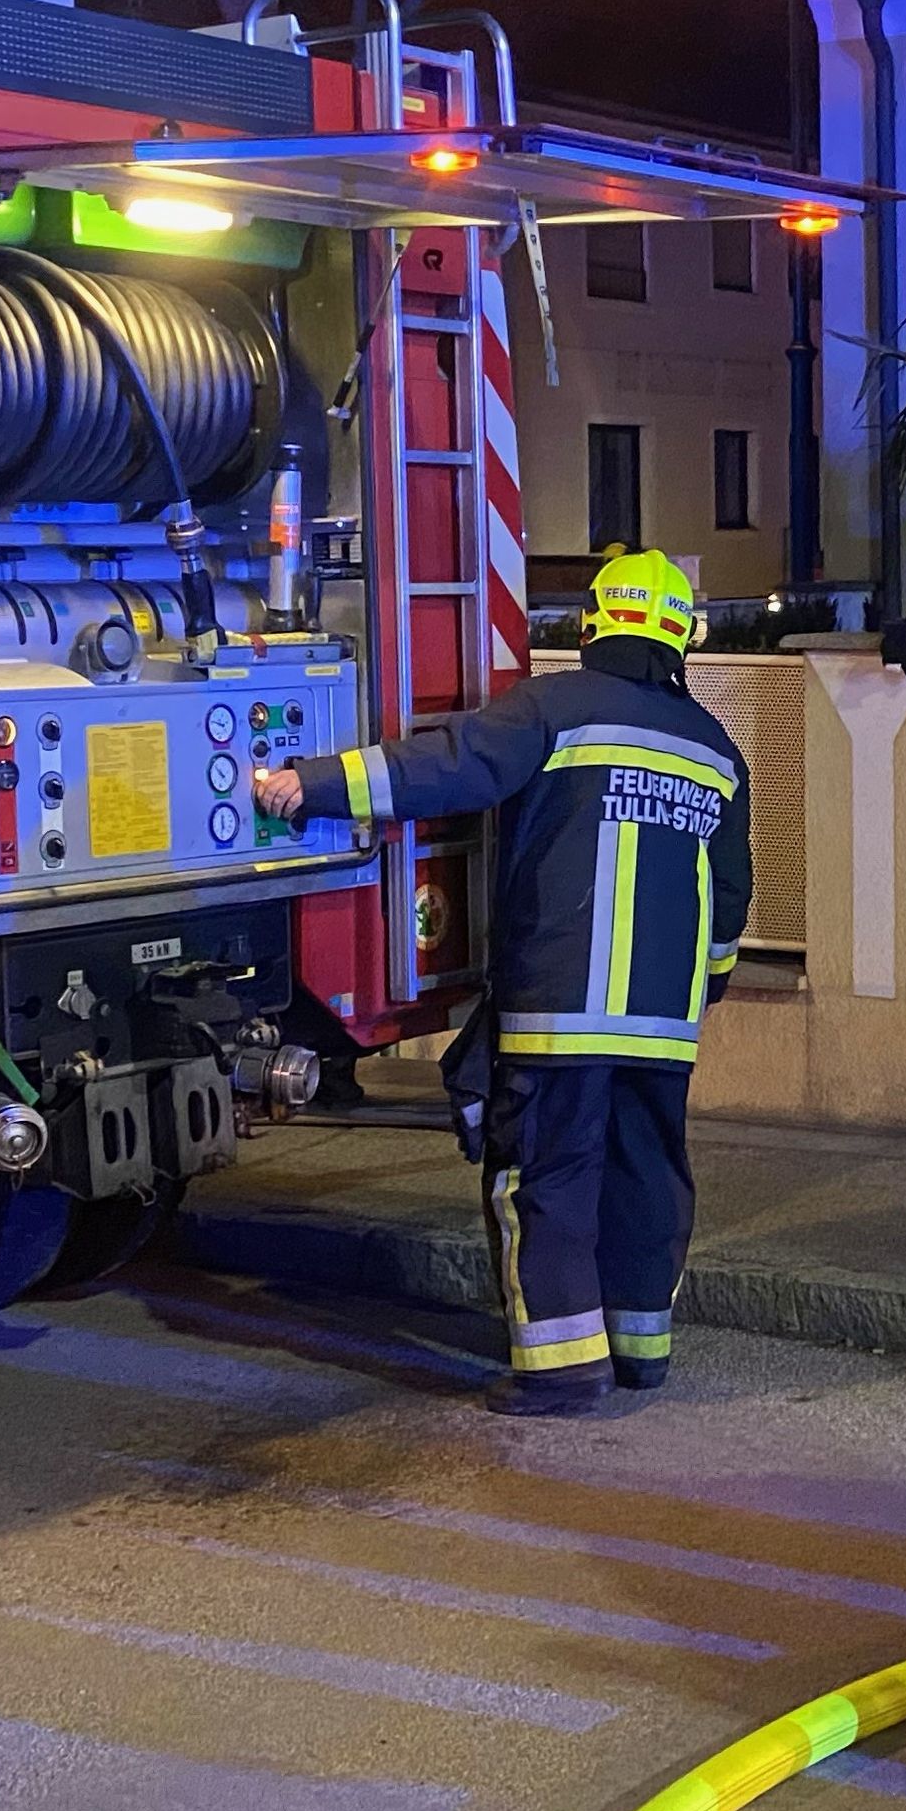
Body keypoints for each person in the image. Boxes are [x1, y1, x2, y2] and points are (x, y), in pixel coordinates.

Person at [254, 550, 749, 1416]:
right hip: (664, 1027)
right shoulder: (714, 749)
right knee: (645, 1177)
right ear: (681, 632)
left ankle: (562, 1370)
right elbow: (731, 898)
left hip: (561, 1012)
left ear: (593, 623)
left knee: (548, 1177)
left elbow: (452, 764)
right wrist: (700, 988)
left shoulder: (552, 710)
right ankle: (640, 1351)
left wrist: (316, 784)